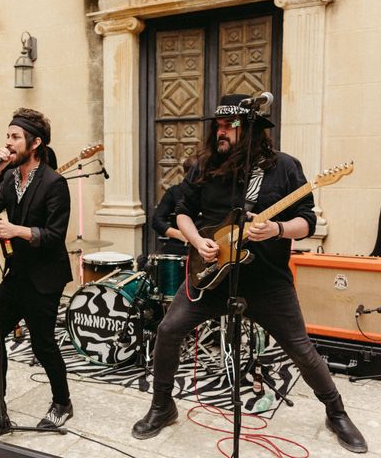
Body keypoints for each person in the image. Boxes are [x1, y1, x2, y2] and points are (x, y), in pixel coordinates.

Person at [131, 95, 368, 454]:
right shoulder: (204, 165)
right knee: (168, 330)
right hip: (209, 276)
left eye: (230, 126)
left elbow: (307, 221)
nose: (221, 132)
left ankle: (336, 413)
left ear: (252, 130)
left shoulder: (285, 168)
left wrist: (277, 230)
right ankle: (163, 406)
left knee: (301, 349)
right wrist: (197, 241)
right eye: (219, 126)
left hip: (268, 283)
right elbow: (181, 211)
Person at [0, 108, 73, 428]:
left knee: (42, 343)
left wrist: (16, 230)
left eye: (15, 137)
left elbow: (53, 236)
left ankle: (62, 402)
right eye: (7, 135)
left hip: (46, 276)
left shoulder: (54, 183)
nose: (8, 142)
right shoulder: (8, 177)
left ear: (34, 144)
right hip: (18, 272)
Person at [151, 156, 196, 255]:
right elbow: (157, 221)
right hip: (180, 245)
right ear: (186, 174)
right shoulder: (174, 192)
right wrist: (181, 234)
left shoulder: (210, 193)